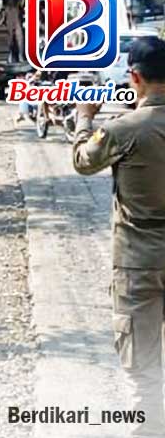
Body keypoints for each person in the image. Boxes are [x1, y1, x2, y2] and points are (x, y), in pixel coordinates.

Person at [72, 36, 165, 437]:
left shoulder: (121, 130)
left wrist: (84, 119)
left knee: (143, 369)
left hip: (138, 265)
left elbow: (83, 161)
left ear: (135, 77)